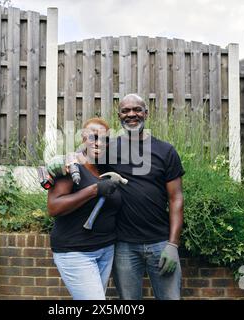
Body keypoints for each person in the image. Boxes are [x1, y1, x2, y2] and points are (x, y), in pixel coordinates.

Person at [47, 94, 185, 300]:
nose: (132, 114)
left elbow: (176, 199)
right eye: (125, 111)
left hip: (160, 242)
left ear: (146, 113)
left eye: (137, 109)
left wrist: (173, 244)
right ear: (119, 115)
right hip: (123, 246)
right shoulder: (109, 149)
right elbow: (84, 154)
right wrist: (60, 159)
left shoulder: (165, 151)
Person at [46, 117, 122, 300]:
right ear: (83, 139)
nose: (98, 143)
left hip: (105, 249)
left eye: (104, 139)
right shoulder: (70, 167)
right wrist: (94, 190)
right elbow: (54, 207)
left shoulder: (104, 167)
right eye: (93, 137)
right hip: (76, 252)